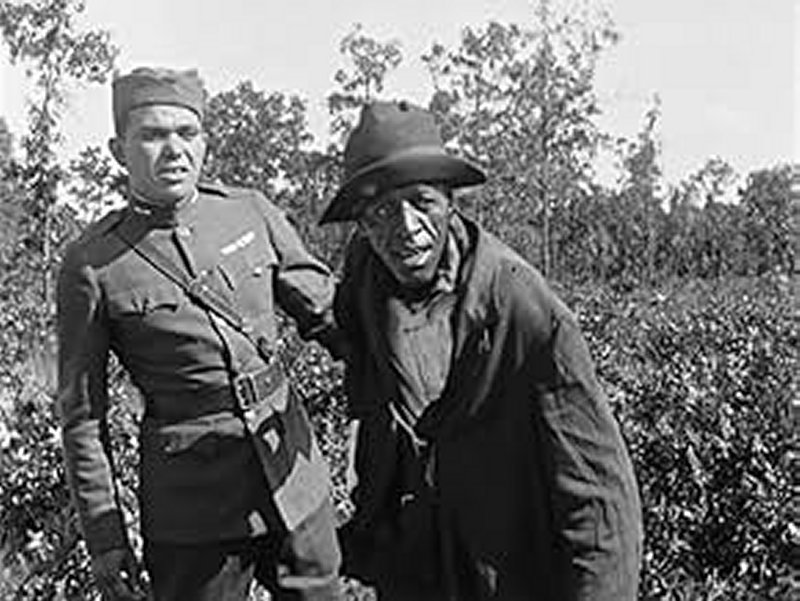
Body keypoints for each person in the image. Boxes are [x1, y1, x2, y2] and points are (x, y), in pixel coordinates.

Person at [322, 100, 643, 601]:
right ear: (361, 225)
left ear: (451, 202)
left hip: (511, 567)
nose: (405, 228)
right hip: (417, 566)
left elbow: (599, 495)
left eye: (421, 202)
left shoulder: (524, 309)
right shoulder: (366, 275)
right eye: (380, 212)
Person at [57, 67, 344, 601]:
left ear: (205, 142)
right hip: (193, 508)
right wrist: (105, 535)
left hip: (292, 477)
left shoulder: (249, 212)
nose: (174, 150)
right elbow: (82, 415)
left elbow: (332, 317)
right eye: (152, 135)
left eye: (186, 133)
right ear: (119, 151)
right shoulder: (92, 264)